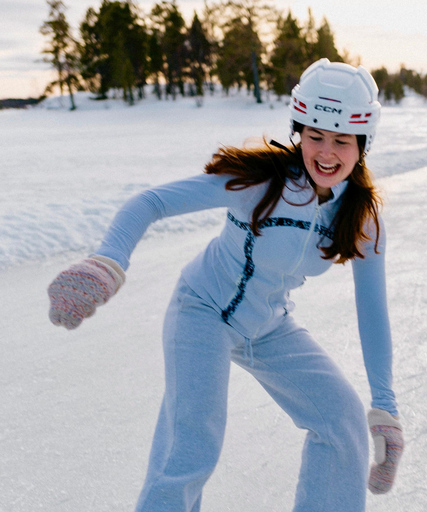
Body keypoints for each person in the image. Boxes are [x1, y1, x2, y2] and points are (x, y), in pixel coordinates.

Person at [47, 58, 403, 512]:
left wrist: (386, 409)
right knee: (191, 449)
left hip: (270, 325)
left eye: (341, 140)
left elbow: (372, 311)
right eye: (315, 135)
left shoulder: (361, 217)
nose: (326, 152)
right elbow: (150, 202)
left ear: (362, 143)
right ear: (299, 131)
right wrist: (107, 262)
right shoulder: (261, 183)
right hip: (203, 311)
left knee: (343, 421)